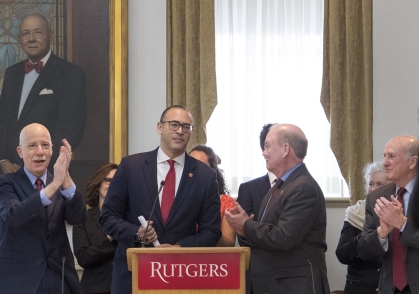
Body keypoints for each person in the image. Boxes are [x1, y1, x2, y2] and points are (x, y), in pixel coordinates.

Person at [100, 105, 222, 294]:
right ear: (160, 127)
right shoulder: (131, 166)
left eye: (186, 127)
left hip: (181, 274)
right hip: (133, 276)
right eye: (174, 125)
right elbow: (108, 217)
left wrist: (179, 248)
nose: (180, 131)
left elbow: (212, 231)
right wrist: (137, 233)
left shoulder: (205, 176)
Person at [225, 124, 330, 294]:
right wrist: (246, 223)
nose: (263, 152)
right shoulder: (281, 185)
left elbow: (283, 237)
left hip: (294, 286)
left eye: (267, 146)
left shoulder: (303, 187)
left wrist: (245, 225)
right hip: (276, 283)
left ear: (285, 149)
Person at [0, 123, 87, 294]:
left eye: (45, 145)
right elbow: (14, 215)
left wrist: (66, 175)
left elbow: (79, 217)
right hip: (19, 279)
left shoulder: (61, 182)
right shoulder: (7, 182)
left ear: (52, 150)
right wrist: (54, 185)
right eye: (32, 146)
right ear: (20, 151)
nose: (40, 151)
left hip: (59, 277)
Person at [0, 13, 86, 169]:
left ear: (51, 35)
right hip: (8, 171)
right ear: (20, 38)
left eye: (38, 32)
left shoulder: (71, 74)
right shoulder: (12, 73)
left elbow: (71, 130)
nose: (31, 38)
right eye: (26, 33)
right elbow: (3, 121)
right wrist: (3, 160)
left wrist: (34, 165)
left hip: (47, 173)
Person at [359, 135, 419, 294]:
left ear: (412, 162)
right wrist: (381, 233)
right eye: (384, 156)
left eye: (391, 156)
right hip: (389, 288)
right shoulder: (375, 197)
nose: (385, 162)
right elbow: (364, 251)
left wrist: (403, 224)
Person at [236, 123, 278, 294]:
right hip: (259, 275)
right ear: (264, 149)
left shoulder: (303, 186)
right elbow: (244, 236)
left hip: (293, 273)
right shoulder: (249, 189)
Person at [336, 161, 390, 294]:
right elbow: (342, 254)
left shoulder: (398, 214)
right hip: (359, 287)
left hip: (388, 287)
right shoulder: (355, 213)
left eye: (380, 184)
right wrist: (369, 235)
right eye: (370, 184)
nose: (373, 189)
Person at [73, 163, 118, 294]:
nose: (112, 184)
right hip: (95, 288)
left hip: (126, 286)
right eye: (108, 180)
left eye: (117, 181)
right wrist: (109, 238)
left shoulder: (131, 218)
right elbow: (83, 258)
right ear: (98, 185)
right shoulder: (83, 218)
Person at [189, 144, 236, 247]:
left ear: (213, 172)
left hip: (212, 261)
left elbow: (229, 243)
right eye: (190, 166)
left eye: (200, 167)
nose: (193, 172)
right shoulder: (178, 198)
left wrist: (208, 234)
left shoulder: (227, 203)